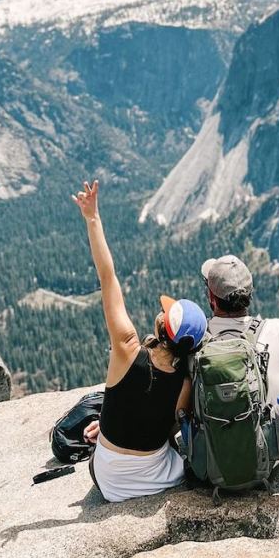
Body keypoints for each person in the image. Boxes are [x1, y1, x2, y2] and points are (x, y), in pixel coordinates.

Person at [72, 179, 207, 502]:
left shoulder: (127, 348)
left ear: (162, 326)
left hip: (108, 480)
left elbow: (108, 276)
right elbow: (168, 426)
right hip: (158, 478)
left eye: (165, 313)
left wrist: (93, 218)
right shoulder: (186, 384)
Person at [201, 254, 279, 433]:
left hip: (212, 450)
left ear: (212, 297)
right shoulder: (278, 330)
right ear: (249, 294)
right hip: (269, 453)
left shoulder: (198, 337)